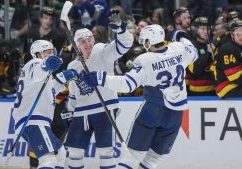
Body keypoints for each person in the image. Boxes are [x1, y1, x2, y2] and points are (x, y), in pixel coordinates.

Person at [83, 24, 198, 169]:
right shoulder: (179, 49)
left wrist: (101, 78)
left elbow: (127, 84)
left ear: (149, 41)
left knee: (131, 157)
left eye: (145, 42)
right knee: (154, 159)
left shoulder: (146, 60)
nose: (144, 45)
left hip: (153, 110)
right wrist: (181, 36)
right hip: (176, 115)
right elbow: (193, 51)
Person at [64, 9, 133, 169]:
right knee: (73, 152)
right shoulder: (72, 65)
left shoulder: (101, 51)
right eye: (82, 41)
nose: (87, 43)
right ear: (76, 44)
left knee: (106, 152)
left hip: (105, 110)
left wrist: (121, 30)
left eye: (89, 39)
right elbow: (73, 94)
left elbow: (124, 46)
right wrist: (70, 113)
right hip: (81, 113)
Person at [12, 39, 78, 169]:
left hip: (36, 121)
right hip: (33, 120)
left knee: (60, 154)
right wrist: (46, 64)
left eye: (52, 52)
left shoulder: (44, 75)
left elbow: (50, 91)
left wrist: (63, 78)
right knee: (48, 159)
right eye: (47, 52)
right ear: (37, 54)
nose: (51, 55)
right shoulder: (33, 63)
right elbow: (39, 70)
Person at [212, 19, 242, 98]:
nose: (241, 37)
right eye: (238, 34)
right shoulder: (227, 49)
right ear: (232, 35)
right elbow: (236, 78)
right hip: (226, 86)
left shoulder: (238, 46)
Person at [187, 17, 215, 96]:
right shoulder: (190, 46)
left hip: (214, 90)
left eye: (208, 29)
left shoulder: (212, 45)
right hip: (197, 92)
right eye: (202, 29)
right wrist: (208, 54)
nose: (206, 31)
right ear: (196, 30)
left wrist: (215, 54)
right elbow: (194, 69)